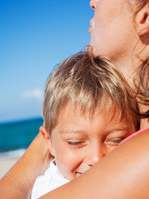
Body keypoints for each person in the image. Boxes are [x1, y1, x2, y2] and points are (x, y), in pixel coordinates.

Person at [0, 0, 149, 198]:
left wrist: (59, 136)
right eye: (77, 141)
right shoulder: (143, 134)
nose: (94, 0)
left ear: (146, 15)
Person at [31, 51, 139, 198]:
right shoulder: (50, 190)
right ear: (49, 141)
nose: (96, 158)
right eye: (75, 142)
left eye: (117, 140)